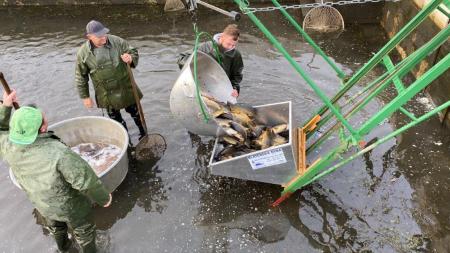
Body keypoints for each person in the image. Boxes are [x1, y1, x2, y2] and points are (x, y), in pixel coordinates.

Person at [0, 90, 112, 253]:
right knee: (84, 231)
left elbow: (1, 129)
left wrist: (5, 107)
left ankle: (64, 248)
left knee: (56, 227)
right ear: (44, 128)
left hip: (42, 203)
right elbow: (85, 180)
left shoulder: (7, 146)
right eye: (43, 118)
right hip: (71, 206)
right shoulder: (59, 153)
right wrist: (104, 198)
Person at [75, 20, 146, 139]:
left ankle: (143, 133)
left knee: (136, 114)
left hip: (126, 87)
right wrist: (85, 97)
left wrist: (130, 58)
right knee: (116, 121)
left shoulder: (117, 41)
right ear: (89, 37)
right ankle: (125, 140)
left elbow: (132, 51)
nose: (103, 38)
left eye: (104, 34)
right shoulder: (83, 53)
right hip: (106, 93)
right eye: (99, 36)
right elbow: (80, 76)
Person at [178, 24, 244, 97]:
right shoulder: (206, 47)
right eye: (228, 44)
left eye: (233, 45)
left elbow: (236, 76)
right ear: (222, 37)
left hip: (221, 88)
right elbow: (182, 58)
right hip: (202, 84)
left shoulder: (236, 55)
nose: (230, 47)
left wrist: (235, 88)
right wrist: (195, 66)